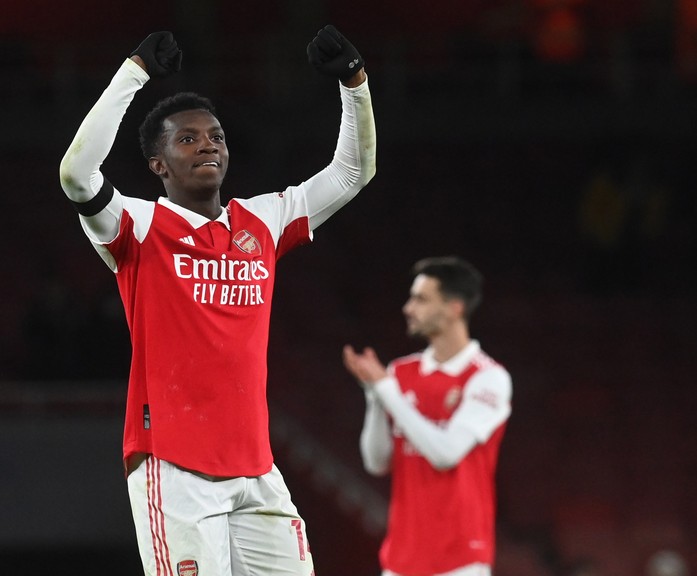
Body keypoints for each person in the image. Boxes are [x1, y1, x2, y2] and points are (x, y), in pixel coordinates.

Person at [59, 26, 376, 576]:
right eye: (187, 139)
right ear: (158, 165)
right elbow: (76, 174)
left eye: (216, 136)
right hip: (174, 466)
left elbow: (353, 172)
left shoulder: (263, 220)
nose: (207, 144)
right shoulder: (139, 225)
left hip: (255, 468)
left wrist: (355, 83)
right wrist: (133, 72)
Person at [342, 257, 512, 576]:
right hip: (400, 559)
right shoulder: (400, 372)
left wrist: (387, 391)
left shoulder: (487, 378)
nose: (408, 308)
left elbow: (446, 454)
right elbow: (376, 463)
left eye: (421, 299)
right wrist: (374, 396)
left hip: (460, 560)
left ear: (454, 308)